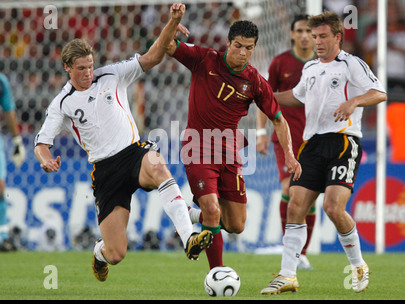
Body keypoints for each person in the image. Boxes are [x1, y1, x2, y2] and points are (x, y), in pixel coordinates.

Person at [34, 3, 213, 282]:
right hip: (105, 171)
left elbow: (153, 57)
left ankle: (188, 236)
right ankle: (99, 253)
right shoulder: (63, 103)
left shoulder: (112, 74)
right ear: (67, 68)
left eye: (90, 66)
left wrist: (171, 22)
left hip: (133, 152)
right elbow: (42, 142)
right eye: (81, 68)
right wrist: (45, 159)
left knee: (158, 164)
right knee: (116, 253)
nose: (88, 73)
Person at [260, 11, 387, 295]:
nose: (316, 41)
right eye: (313, 36)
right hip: (312, 144)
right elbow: (295, 96)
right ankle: (288, 275)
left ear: (337, 37)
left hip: (343, 143)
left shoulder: (351, 64)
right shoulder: (310, 69)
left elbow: (379, 93)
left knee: (332, 207)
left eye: (322, 36)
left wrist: (355, 100)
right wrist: (261, 96)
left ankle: (358, 265)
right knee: (295, 205)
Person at [166, 20, 302, 271]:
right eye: (238, 45)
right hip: (198, 148)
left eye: (249, 48)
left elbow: (279, 120)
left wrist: (291, 156)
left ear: (254, 48)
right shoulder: (204, 60)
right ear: (227, 42)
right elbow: (168, 46)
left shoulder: (255, 82)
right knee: (211, 207)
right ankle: (216, 273)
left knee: (236, 225)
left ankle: (188, 213)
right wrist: (172, 24)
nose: (242, 52)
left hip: (229, 153)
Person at [256, 15, 316, 270]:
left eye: (308, 31)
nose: (304, 35)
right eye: (299, 30)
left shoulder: (324, 62)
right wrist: (260, 133)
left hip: (315, 139)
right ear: (292, 34)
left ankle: (301, 252)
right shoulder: (281, 62)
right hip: (286, 139)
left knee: (309, 198)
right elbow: (264, 97)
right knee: (290, 190)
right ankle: (289, 248)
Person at [0, 73, 26, 251]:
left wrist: (17, 140)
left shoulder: (1, 81)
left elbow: (8, 109)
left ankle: (2, 237)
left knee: (0, 187)